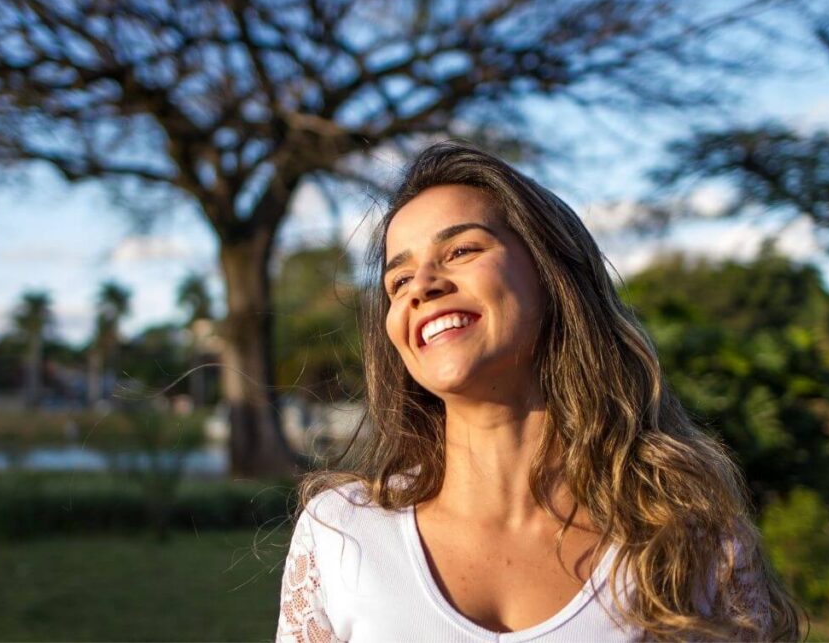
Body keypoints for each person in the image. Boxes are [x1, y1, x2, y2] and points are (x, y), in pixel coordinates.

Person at [276, 141, 800, 642]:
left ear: (552, 276)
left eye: (460, 249)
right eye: (398, 280)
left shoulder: (688, 540)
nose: (423, 285)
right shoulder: (340, 534)